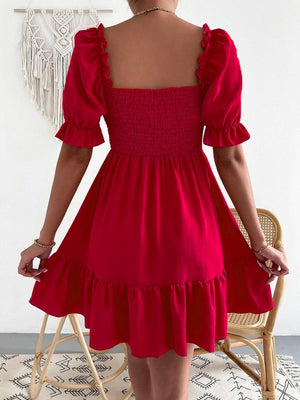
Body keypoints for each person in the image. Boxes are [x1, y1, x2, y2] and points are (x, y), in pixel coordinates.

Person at [18, 1, 289, 399]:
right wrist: (259, 242)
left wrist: (45, 240)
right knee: (173, 361)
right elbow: (229, 156)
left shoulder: (97, 47)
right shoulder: (212, 48)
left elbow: (76, 153)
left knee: (140, 358)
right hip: (188, 215)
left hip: (119, 214)